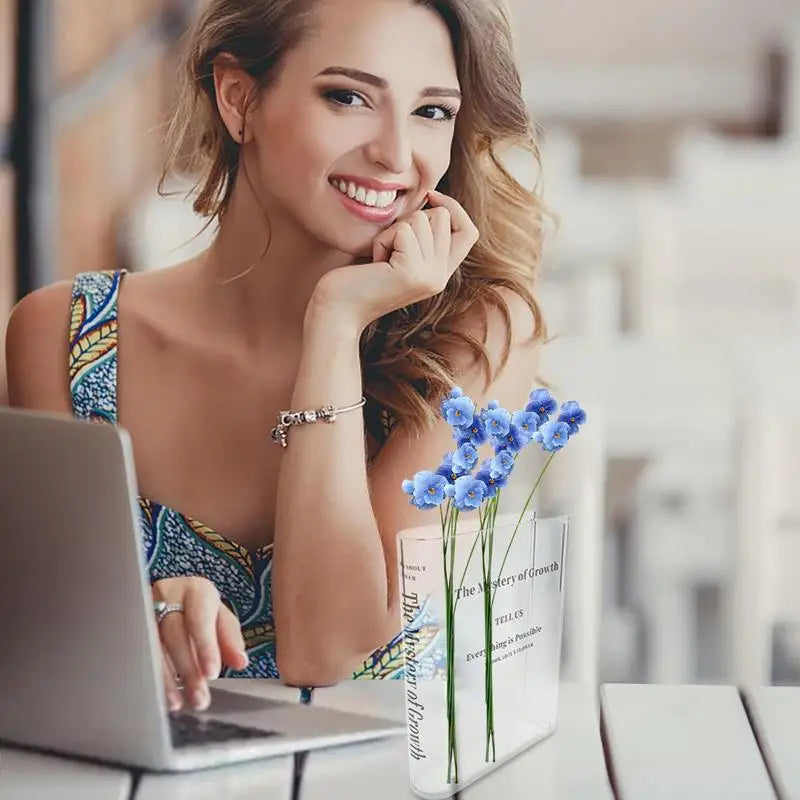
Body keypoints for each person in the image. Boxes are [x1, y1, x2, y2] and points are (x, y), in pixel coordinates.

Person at [4, 0, 548, 711]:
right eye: (348, 97)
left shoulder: (477, 337)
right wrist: (147, 610)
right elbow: (46, 651)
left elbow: (325, 648)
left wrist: (334, 322)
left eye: (433, 112)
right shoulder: (63, 337)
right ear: (240, 99)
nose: (395, 153)